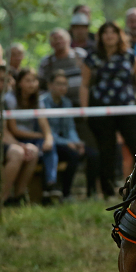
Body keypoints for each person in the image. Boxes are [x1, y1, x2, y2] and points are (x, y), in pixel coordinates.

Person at [80, 21, 136, 198]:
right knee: (106, 151)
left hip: (128, 108)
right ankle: (108, 192)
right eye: (105, 32)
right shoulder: (92, 57)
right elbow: (85, 85)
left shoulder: (130, 56)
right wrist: (85, 110)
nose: (109, 35)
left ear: (119, 35)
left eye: (113, 32)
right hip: (101, 109)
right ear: (100, 36)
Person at [4, 68, 62, 202]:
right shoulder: (10, 99)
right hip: (16, 138)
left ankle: (49, 185)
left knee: (46, 147)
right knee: (28, 151)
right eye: (28, 80)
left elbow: (44, 123)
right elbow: (13, 130)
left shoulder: (38, 100)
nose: (32, 84)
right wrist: (39, 135)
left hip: (32, 138)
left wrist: (48, 138)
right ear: (19, 83)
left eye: (34, 80)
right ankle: (7, 196)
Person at [0, 65, 39, 205]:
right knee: (16, 153)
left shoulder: (2, 101)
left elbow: (5, 131)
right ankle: (2, 199)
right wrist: (15, 147)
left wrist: (20, 144)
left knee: (31, 151)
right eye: (2, 80)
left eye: (8, 80)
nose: (6, 83)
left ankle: (18, 197)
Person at [40, 70, 85, 200]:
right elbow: (46, 131)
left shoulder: (67, 103)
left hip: (63, 141)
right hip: (48, 141)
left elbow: (70, 127)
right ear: (50, 85)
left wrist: (76, 142)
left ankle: (85, 193)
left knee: (89, 155)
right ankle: (57, 192)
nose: (62, 87)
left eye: (65, 84)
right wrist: (67, 143)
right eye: (59, 83)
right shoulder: (42, 102)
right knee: (68, 154)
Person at [38, 28, 88, 99]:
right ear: (50, 43)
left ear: (69, 40)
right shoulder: (46, 62)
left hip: (81, 102)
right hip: (57, 106)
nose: (58, 41)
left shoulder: (80, 55)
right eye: (55, 39)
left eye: (61, 38)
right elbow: (41, 86)